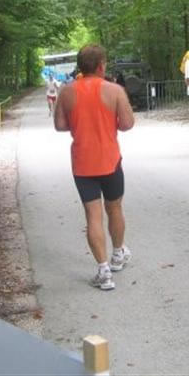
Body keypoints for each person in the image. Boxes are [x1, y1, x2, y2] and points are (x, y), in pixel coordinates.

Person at [54, 44, 135, 291]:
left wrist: (81, 124)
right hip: (110, 160)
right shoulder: (115, 90)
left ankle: (103, 271)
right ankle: (118, 254)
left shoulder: (67, 92)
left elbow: (60, 125)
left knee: (93, 215)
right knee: (115, 207)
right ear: (101, 65)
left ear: (80, 66)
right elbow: (127, 124)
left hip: (83, 163)